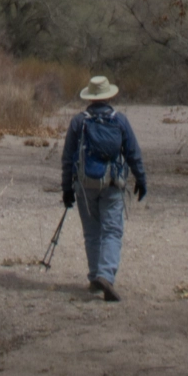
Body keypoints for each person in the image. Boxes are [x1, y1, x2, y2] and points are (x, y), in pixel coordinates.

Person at [60, 75, 148, 302]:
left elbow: (68, 157)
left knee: (92, 232)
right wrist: (141, 179)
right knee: (112, 231)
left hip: (84, 185)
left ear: (89, 97)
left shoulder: (79, 122)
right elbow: (133, 153)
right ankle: (106, 275)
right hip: (113, 183)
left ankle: (94, 279)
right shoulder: (120, 120)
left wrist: (66, 188)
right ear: (109, 96)